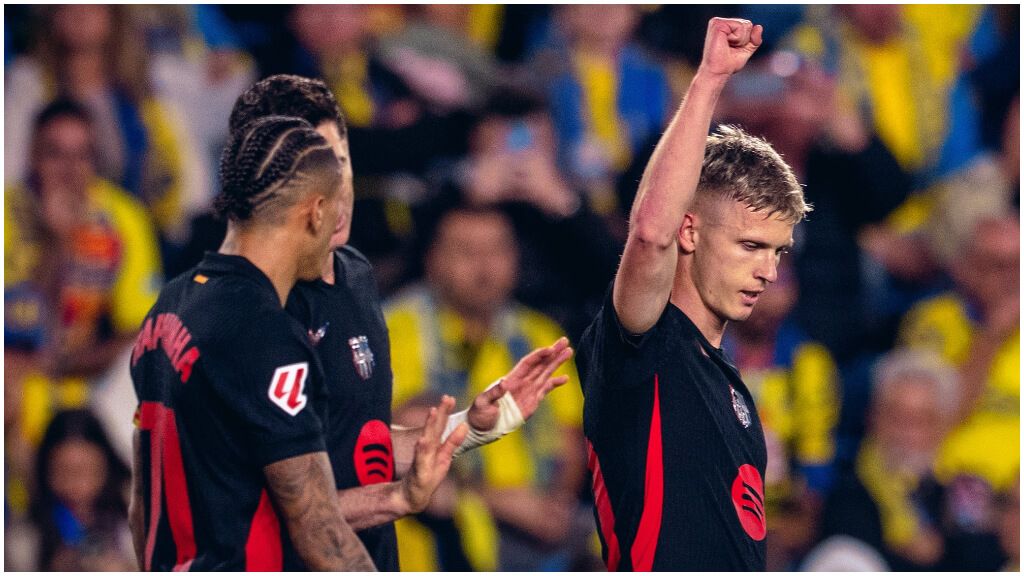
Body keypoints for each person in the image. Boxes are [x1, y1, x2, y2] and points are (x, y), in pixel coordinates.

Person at [226, 74, 575, 571]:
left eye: (344, 163)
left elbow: (366, 445)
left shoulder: (353, 289)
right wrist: (407, 500)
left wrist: (471, 428)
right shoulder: (230, 312)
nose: (339, 183)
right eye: (318, 166)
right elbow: (280, 496)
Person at [577, 18, 812, 570]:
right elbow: (649, 232)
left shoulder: (733, 388)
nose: (768, 272)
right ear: (690, 231)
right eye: (751, 245)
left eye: (777, 252)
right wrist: (709, 81)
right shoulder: (644, 343)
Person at [129, 115, 376, 570]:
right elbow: (319, 528)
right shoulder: (264, 335)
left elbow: (143, 503)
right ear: (315, 211)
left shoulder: (170, 304)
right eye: (333, 208)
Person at [386, 202, 590, 571]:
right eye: (467, 252)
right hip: (447, 528)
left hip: (540, 524)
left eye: (497, 250)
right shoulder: (397, 328)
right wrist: (501, 502)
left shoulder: (539, 332)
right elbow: (405, 443)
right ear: (433, 260)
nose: (485, 266)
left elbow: (571, 441)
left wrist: (555, 504)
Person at [30, 409, 134, 571]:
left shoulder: (134, 519)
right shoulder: (28, 534)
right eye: (63, 472)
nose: (75, 487)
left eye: (85, 471)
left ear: (107, 466)